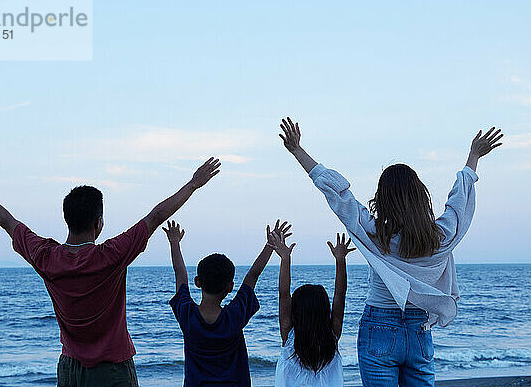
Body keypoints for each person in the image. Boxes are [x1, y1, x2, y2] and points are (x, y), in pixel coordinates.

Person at [0, 158, 221, 387]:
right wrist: (193, 184)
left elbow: (8, 223)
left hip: (70, 369)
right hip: (113, 370)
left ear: (66, 219)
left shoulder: (46, 257)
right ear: (98, 223)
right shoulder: (111, 255)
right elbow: (155, 217)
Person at [278, 117, 503, 387]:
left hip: (379, 328)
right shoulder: (440, 238)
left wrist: (297, 151)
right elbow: (460, 204)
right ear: (421, 196)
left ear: (381, 199)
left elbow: (339, 196)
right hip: (419, 330)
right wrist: (473, 158)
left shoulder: (376, 236)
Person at [164, 219, 292, 387]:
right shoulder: (235, 315)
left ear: (197, 282)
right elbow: (253, 275)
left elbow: (179, 272)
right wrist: (270, 245)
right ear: (230, 286)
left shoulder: (187, 314)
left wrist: (174, 243)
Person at [269, 230, 355, 387]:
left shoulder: (289, 336)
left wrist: (285, 258)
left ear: (295, 311)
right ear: (324, 311)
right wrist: (340, 260)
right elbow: (340, 295)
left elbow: (283, 294)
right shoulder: (332, 335)